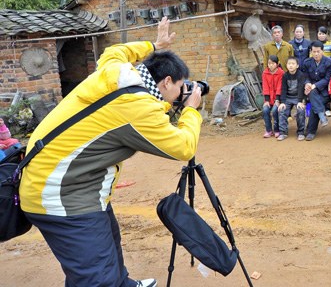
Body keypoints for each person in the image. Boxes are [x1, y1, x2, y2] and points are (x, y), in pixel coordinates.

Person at [19, 17, 202, 287]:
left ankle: (122, 282)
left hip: (73, 184)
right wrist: (190, 111)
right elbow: (183, 146)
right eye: (180, 86)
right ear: (165, 82)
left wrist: (155, 44)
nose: (181, 92)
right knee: (95, 276)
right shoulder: (140, 107)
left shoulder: (117, 71)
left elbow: (115, 51)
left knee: (108, 239)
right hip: (62, 195)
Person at [302, 41, 331, 141]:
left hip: (325, 92)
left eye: (318, 51)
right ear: (311, 51)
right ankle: (321, 115)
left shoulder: (329, 62)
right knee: (313, 96)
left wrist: (314, 85)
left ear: (322, 51)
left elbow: (327, 79)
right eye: (314, 51)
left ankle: (310, 132)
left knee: (313, 106)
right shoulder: (307, 62)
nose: (316, 54)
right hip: (312, 91)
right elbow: (306, 77)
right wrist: (307, 83)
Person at [277, 57, 307, 141]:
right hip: (287, 97)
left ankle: (301, 132)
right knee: (282, 110)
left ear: (297, 65)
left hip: (298, 97)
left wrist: (300, 101)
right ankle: (283, 132)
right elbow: (283, 89)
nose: (291, 65)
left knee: (300, 110)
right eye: (289, 64)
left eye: (293, 64)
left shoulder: (300, 75)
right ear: (286, 65)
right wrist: (282, 102)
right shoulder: (285, 75)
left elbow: (301, 88)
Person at [262, 55, 284, 138]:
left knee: (275, 110)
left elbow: (280, 87)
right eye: (269, 63)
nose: (270, 65)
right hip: (268, 99)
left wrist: (277, 100)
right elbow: (265, 87)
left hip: (278, 99)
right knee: (265, 110)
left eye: (273, 63)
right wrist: (266, 100)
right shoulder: (265, 73)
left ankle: (277, 129)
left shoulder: (281, 73)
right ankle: (268, 130)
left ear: (277, 63)